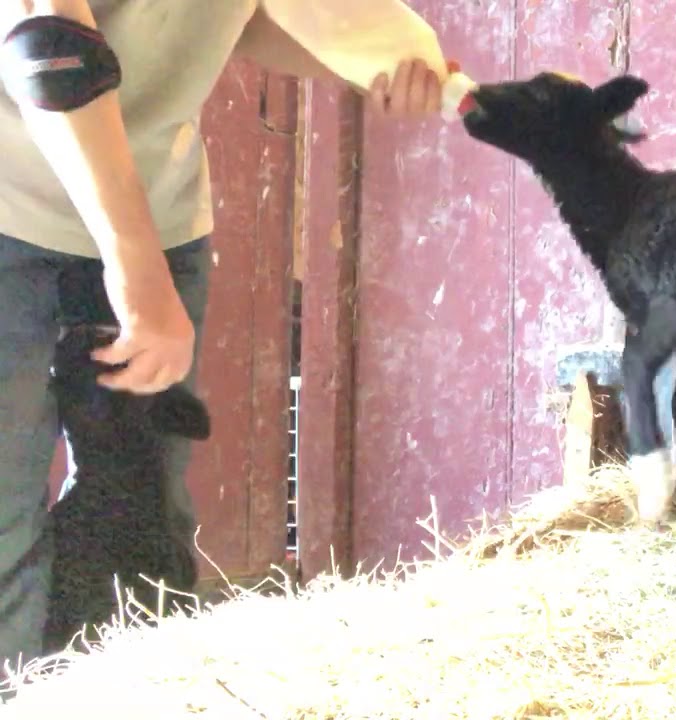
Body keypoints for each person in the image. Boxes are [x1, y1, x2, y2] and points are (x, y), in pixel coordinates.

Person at [0, 0, 447, 689]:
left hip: (154, 198)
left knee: (140, 508)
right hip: (13, 197)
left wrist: (368, 66)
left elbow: (233, 16)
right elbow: (49, 50)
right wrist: (138, 268)